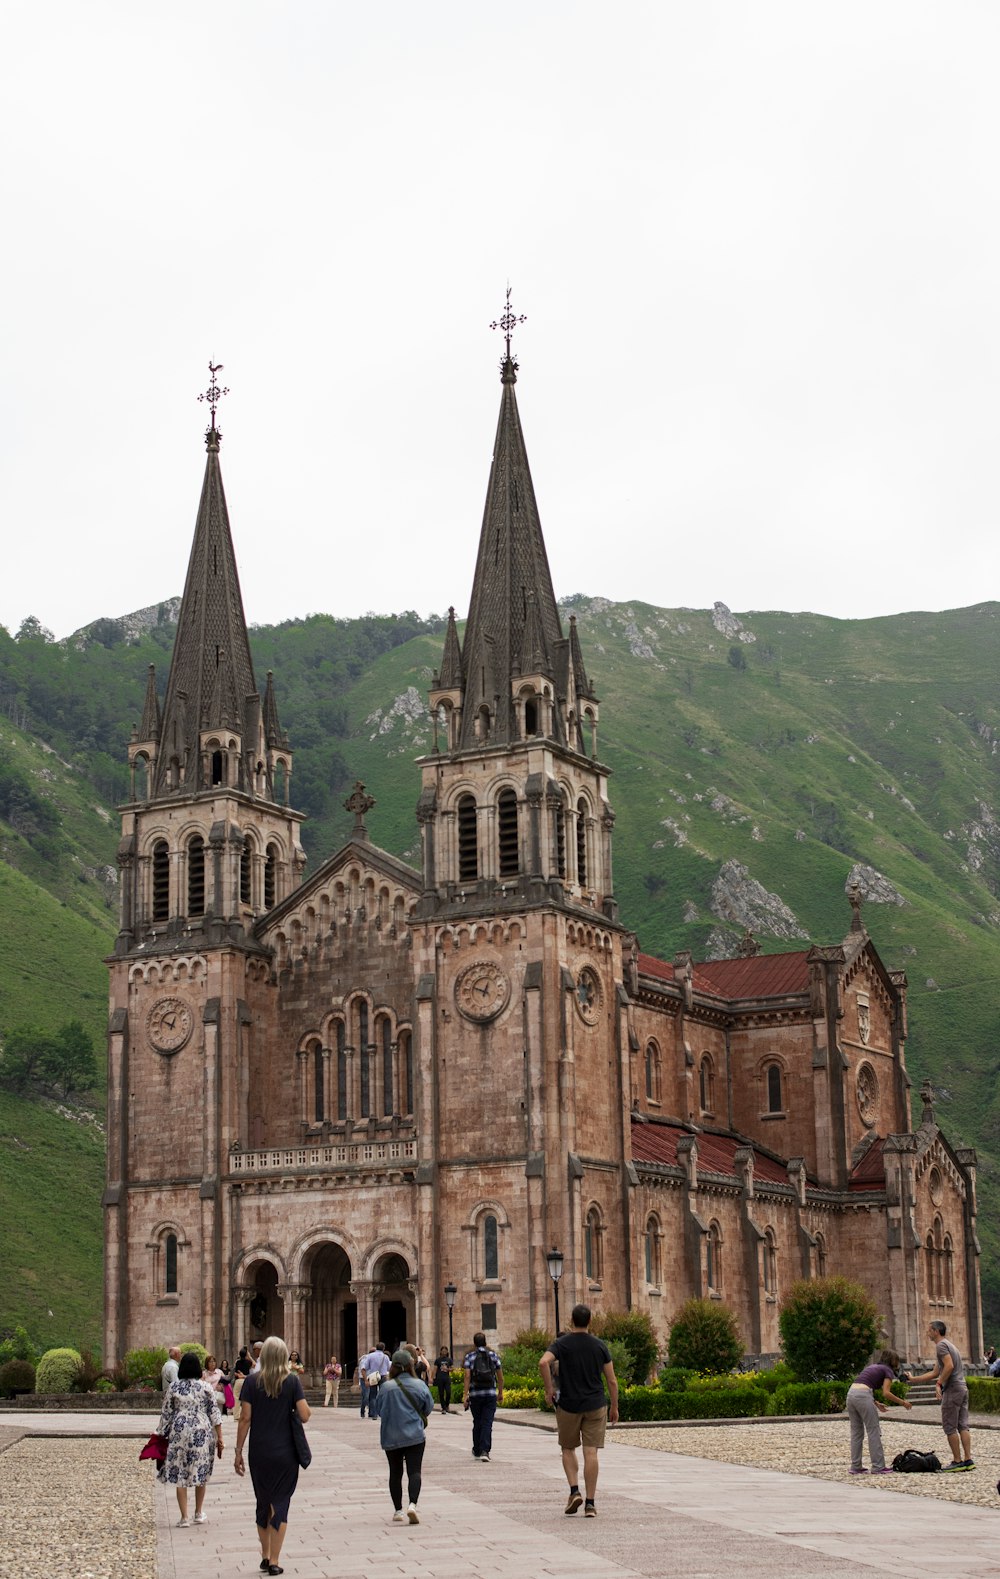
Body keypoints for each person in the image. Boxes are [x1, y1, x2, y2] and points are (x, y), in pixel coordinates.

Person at [234, 1334, 311, 1576]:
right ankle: (275, 1560)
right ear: (284, 1356)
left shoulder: (251, 1382)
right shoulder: (292, 1382)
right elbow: (305, 1415)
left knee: (263, 1503)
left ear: (263, 1356)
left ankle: (265, 1555)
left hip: (259, 1451)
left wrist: (238, 1452)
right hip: (286, 1452)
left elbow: (245, 1418)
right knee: (281, 1504)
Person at [540, 1303, 619, 1518]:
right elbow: (611, 1380)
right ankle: (591, 1504)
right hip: (595, 1404)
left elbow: (543, 1363)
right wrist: (615, 1406)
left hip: (568, 1405)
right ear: (589, 1322)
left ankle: (574, 1490)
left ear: (571, 1321)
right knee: (590, 1451)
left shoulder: (561, 1344)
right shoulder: (599, 1345)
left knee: (567, 1448)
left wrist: (549, 1391)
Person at [157, 1350, 224, 1526]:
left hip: (179, 1431)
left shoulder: (174, 1387)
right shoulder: (206, 1387)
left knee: (180, 1472)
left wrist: (160, 1435)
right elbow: (214, 1413)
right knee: (200, 1470)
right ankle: (198, 1512)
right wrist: (220, 1439)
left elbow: (166, 1414)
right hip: (201, 1430)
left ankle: (184, 1517)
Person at [908, 1319, 974, 1471]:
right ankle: (968, 1459)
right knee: (963, 1425)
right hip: (962, 1387)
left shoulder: (941, 1346)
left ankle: (957, 1461)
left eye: (929, 1330)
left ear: (936, 1331)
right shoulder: (950, 1345)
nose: (927, 1333)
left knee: (950, 1426)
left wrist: (939, 1384)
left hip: (953, 1389)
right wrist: (913, 1379)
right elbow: (935, 1372)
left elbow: (949, 1366)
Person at [379, 1347, 434, 1524]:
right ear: (410, 1365)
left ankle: (398, 1511)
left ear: (393, 1367)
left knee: (395, 1473)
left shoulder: (386, 1387)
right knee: (414, 1471)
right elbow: (428, 1408)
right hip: (415, 1436)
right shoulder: (419, 1385)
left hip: (391, 1436)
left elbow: (379, 1410)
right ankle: (412, 1504)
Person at [846, 1349, 913, 1473]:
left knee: (856, 1433)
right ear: (894, 1361)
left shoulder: (874, 1367)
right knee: (873, 1431)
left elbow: (864, 1385)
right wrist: (903, 1402)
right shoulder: (887, 1370)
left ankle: (855, 1466)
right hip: (863, 1395)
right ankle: (878, 1466)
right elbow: (886, 1393)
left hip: (851, 1394)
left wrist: (875, 1403)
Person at [462, 1331, 504, 1461]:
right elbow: (500, 1377)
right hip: (490, 1394)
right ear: (485, 1342)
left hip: (475, 1394)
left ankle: (477, 1449)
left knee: (477, 1421)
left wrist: (465, 1395)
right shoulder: (493, 1355)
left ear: (474, 1343)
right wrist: (500, 1392)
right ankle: (485, 1451)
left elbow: (467, 1376)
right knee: (487, 1422)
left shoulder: (470, 1357)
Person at [360, 1341, 391, 1417]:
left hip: (373, 1377)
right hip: (383, 1377)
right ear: (383, 1348)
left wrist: (365, 1380)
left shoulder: (370, 1356)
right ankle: (381, 1412)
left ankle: (373, 1414)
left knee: (373, 1395)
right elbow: (389, 1368)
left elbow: (363, 1368)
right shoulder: (385, 1357)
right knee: (382, 1395)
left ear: (376, 1348)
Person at [433, 1347, 453, 1414]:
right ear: (440, 1352)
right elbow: (435, 1369)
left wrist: (447, 1369)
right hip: (440, 1378)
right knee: (441, 1394)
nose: (444, 1352)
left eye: (445, 1351)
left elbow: (452, 1369)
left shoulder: (449, 1360)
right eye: (443, 1351)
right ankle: (443, 1408)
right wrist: (433, 1377)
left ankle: (447, 1405)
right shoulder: (438, 1360)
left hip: (447, 1378)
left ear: (447, 1352)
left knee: (448, 1392)